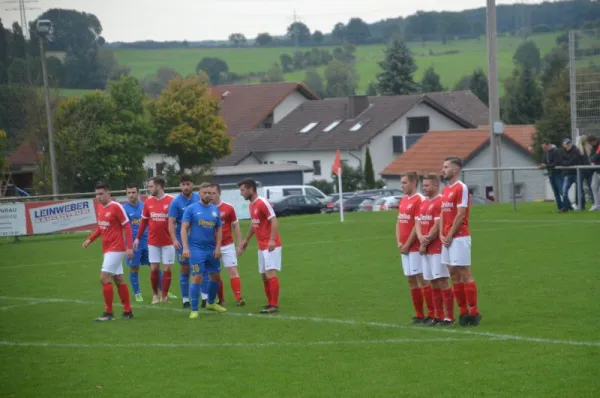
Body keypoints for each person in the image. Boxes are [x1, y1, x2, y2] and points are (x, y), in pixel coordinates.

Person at [83, 183, 134, 322]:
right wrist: (90, 239)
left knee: (104, 278)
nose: (98, 196)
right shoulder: (100, 208)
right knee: (118, 279)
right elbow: (101, 228)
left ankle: (108, 313)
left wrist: (129, 247)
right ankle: (128, 311)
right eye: (96, 194)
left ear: (108, 193)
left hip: (117, 248)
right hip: (107, 249)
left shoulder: (116, 207)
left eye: (101, 193)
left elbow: (127, 226)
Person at [440, 157, 481, 327]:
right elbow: (443, 213)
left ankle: (474, 312)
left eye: (446, 167)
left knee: (464, 273)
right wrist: (442, 234)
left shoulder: (461, 188)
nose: (443, 170)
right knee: (453, 274)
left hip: (459, 236)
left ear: (456, 169)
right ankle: (463, 311)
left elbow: (461, 214)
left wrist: (450, 234)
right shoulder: (445, 190)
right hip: (447, 238)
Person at [181, 183, 226, 318]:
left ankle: (210, 303)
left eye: (210, 193)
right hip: (196, 249)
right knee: (197, 277)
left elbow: (219, 230)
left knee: (215, 277)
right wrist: (185, 247)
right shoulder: (191, 209)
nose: (208, 195)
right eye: (205, 192)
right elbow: (184, 228)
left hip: (211, 249)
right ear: (199, 193)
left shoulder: (214, 210)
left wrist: (218, 247)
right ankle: (194, 309)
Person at [238, 178, 282, 314]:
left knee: (270, 273)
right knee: (263, 276)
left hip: (271, 245)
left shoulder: (262, 202)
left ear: (251, 189)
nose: (241, 193)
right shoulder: (252, 205)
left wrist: (272, 240)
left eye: (242, 190)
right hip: (261, 245)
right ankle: (269, 303)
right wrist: (246, 240)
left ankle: (274, 305)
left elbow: (274, 219)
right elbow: (254, 223)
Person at [416, 174, 454, 326]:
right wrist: (421, 239)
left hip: (437, 248)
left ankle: (449, 317)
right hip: (426, 248)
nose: (423, 188)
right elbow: (418, 223)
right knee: (431, 282)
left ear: (435, 186)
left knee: (442, 281)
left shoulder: (440, 202)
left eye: (426, 186)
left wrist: (425, 241)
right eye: (423, 185)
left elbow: (438, 224)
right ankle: (437, 316)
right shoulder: (424, 203)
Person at [396, 172, 434, 324]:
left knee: (423, 280)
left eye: (404, 182)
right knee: (411, 281)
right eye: (401, 182)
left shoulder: (420, 200)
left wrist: (407, 244)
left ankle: (431, 314)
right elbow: (399, 221)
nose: (402, 186)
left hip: (415, 247)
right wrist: (399, 241)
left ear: (413, 183)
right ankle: (419, 315)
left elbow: (416, 225)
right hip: (404, 248)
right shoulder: (404, 200)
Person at [134, 176, 175, 304]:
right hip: (153, 242)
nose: (148, 189)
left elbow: (177, 221)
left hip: (169, 242)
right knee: (154, 268)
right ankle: (155, 295)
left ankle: (164, 296)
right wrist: (137, 238)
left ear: (158, 186)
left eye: (151, 186)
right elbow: (144, 222)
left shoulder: (171, 201)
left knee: (167, 269)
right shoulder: (148, 202)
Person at [168, 174, 200, 309]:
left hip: (198, 240)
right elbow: (171, 222)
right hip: (182, 240)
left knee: (198, 268)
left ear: (192, 185)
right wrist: (174, 240)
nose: (186, 187)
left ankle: (201, 297)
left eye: (188, 184)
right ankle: (185, 299)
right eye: (183, 184)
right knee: (184, 268)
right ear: (180, 186)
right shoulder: (176, 202)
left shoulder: (198, 198)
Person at [211, 183, 246, 306]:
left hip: (227, 244)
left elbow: (235, 225)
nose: (211, 196)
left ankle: (238, 298)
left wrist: (240, 243)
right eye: (209, 193)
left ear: (219, 193)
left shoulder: (228, 208)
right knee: (215, 274)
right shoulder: (206, 209)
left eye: (214, 193)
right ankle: (220, 299)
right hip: (212, 247)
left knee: (232, 270)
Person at [559, 138, 585, 211]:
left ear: (571, 143)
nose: (568, 145)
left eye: (569, 143)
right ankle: (565, 207)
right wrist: (567, 163)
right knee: (564, 190)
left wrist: (566, 163)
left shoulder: (576, 150)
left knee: (580, 190)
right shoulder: (562, 152)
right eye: (566, 144)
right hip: (568, 174)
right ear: (563, 145)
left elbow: (573, 160)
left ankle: (581, 206)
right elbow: (562, 162)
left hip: (577, 173)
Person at [539, 139, 564, 212]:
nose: (544, 149)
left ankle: (566, 206)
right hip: (551, 173)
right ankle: (560, 207)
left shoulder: (556, 151)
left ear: (549, 145)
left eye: (545, 147)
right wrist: (541, 165)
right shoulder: (546, 152)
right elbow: (543, 161)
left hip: (557, 173)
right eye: (543, 147)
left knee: (561, 191)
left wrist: (546, 165)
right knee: (556, 192)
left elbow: (556, 163)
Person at [586, 135, 600, 211]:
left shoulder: (599, 145)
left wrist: (593, 160)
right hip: (596, 171)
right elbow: (591, 157)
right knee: (593, 186)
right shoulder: (593, 148)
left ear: (593, 141)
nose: (589, 145)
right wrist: (592, 160)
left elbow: (597, 156)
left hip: (599, 169)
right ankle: (597, 205)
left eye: (590, 143)